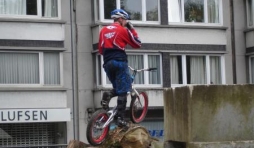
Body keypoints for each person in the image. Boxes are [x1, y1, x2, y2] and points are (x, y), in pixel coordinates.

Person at [98, 9, 141, 127]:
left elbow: (101, 50)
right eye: (126, 20)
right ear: (121, 19)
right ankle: (120, 119)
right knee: (124, 91)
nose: (126, 22)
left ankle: (108, 95)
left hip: (107, 63)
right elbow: (137, 43)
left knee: (118, 88)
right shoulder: (123, 30)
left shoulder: (103, 30)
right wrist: (131, 28)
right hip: (120, 62)